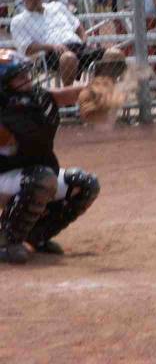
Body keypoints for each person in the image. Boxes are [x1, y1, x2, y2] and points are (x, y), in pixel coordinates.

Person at [0, 50, 100, 264]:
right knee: (42, 178)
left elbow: (63, 95)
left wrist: (97, 90)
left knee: (85, 184)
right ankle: (6, 241)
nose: (27, 79)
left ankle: (34, 237)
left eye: (26, 74)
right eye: (19, 76)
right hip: (5, 178)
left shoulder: (32, 100)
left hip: (26, 176)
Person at [10, 0, 104, 86]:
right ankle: (68, 94)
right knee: (68, 57)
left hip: (78, 46)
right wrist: (52, 46)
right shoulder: (19, 20)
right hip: (51, 53)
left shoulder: (57, 6)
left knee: (112, 54)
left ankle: (105, 91)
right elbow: (27, 48)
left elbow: (78, 27)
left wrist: (85, 41)